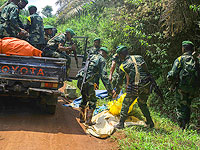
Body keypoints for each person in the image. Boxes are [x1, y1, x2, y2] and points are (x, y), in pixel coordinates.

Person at [113, 45, 154, 129]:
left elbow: (119, 81)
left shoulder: (123, 65)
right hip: (147, 84)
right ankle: (150, 122)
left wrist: (117, 92)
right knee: (142, 103)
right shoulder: (139, 57)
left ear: (121, 55)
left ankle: (121, 124)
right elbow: (145, 68)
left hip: (136, 86)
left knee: (126, 103)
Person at [76, 47, 115, 125]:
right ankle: (88, 121)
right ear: (104, 53)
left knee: (84, 98)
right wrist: (110, 90)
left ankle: (81, 118)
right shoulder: (102, 60)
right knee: (92, 101)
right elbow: (104, 76)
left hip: (81, 80)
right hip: (88, 82)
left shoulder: (92, 56)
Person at [167, 41, 200, 130]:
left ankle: (182, 128)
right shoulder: (196, 60)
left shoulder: (180, 59)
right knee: (188, 106)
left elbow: (172, 74)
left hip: (181, 88)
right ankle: (187, 125)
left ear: (184, 48)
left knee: (180, 107)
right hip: (193, 88)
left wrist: (170, 81)